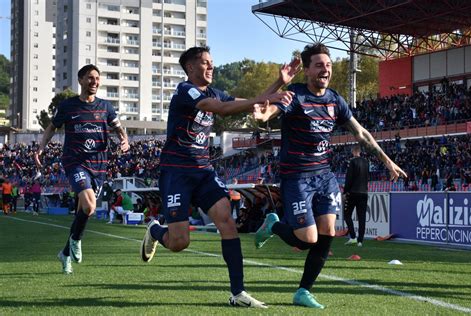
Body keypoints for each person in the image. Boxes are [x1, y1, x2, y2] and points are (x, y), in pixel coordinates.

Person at [140, 46, 296, 308]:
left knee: (227, 221)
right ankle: (156, 230)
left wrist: (280, 82)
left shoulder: (214, 92)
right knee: (179, 242)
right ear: (190, 68)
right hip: (176, 172)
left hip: (203, 170)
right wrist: (275, 96)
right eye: (205, 63)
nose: (211, 67)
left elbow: (246, 102)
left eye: (212, 62)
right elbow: (222, 109)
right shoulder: (185, 91)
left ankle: (238, 293)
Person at [253, 43, 407, 309]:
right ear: (307, 71)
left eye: (329, 65)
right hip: (296, 176)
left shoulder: (335, 100)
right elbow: (263, 114)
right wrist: (278, 83)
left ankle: (303, 291)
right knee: (307, 239)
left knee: (327, 233)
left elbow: (362, 133)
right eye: (319, 65)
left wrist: (387, 161)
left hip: (324, 176)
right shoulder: (294, 95)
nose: (325, 69)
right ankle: (273, 225)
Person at [35, 64, 129, 275]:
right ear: (80, 81)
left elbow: (119, 128)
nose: (94, 82)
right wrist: (41, 147)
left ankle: (65, 253)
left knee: (87, 210)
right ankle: (76, 239)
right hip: (75, 162)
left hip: (99, 166)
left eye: (97, 78)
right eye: (89, 78)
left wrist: (124, 140)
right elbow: (52, 127)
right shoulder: (68, 106)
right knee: (88, 204)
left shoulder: (106, 107)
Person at [343, 145, 369, 247]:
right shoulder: (366, 162)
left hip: (353, 192)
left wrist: (345, 192)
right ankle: (360, 241)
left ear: (354, 151)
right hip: (364, 192)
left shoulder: (352, 162)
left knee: (347, 215)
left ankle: (353, 237)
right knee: (362, 217)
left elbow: (349, 178)